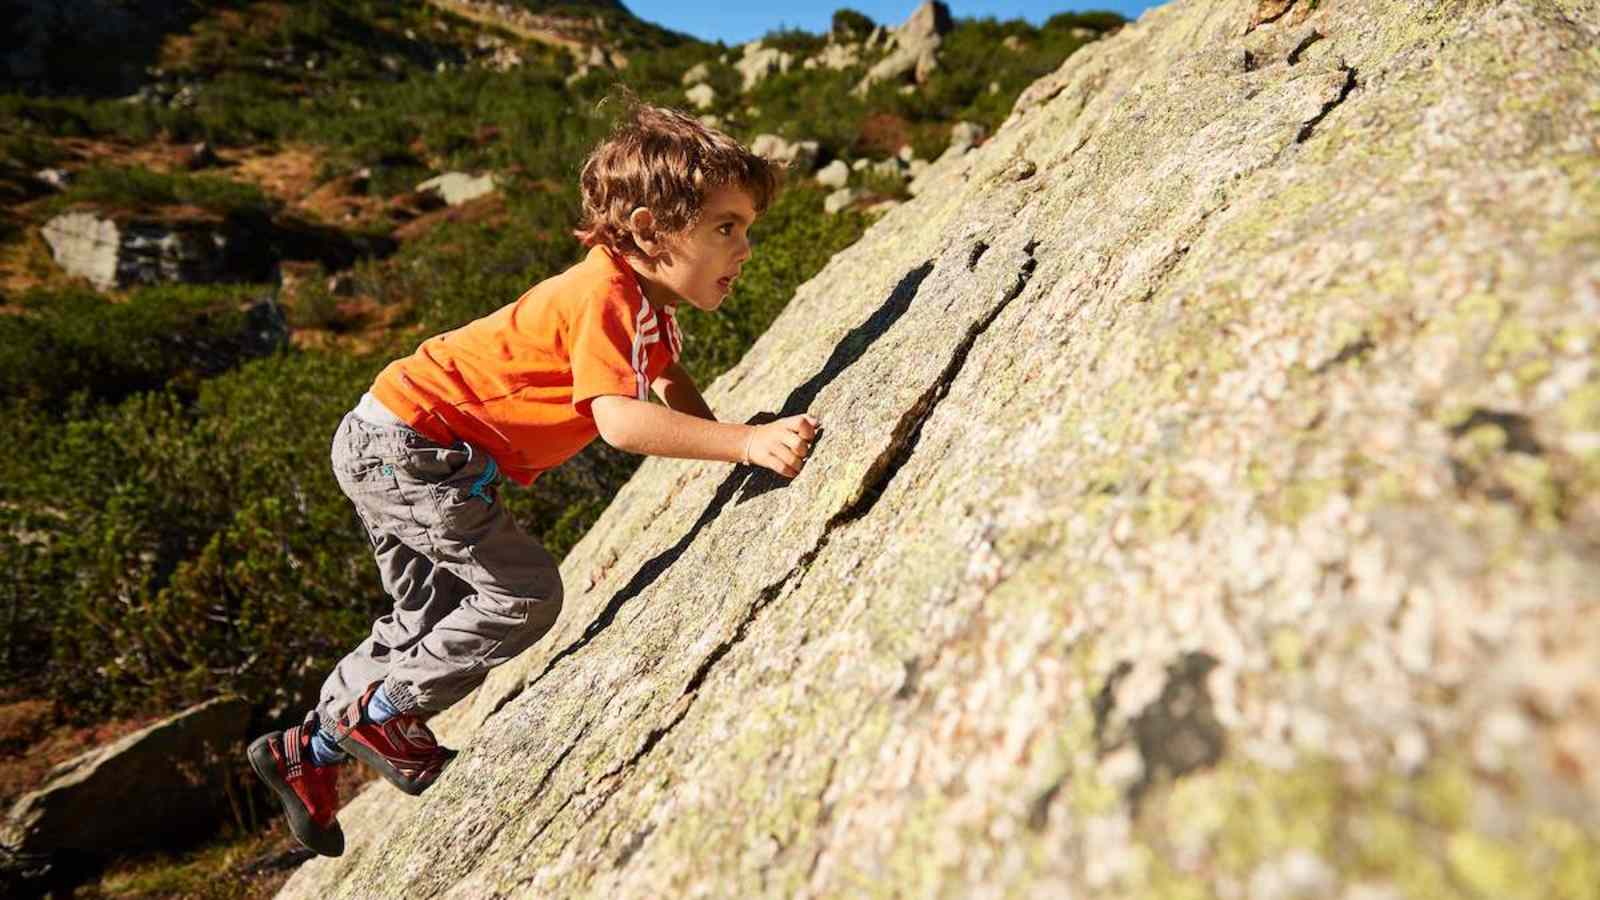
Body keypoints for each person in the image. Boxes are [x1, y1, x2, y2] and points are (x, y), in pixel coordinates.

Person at [247, 100, 820, 857]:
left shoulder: (649, 308)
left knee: (427, 619)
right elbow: (619, 420)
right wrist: (746, 444)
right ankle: (381, 711)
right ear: (648, 230)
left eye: (746, 227)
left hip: (393, 437)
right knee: (523, 595)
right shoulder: (606, 294)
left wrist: (719, 444)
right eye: (726, 227)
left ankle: (307, 753)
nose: (745, 246)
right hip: (412, 447)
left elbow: (669, 379)